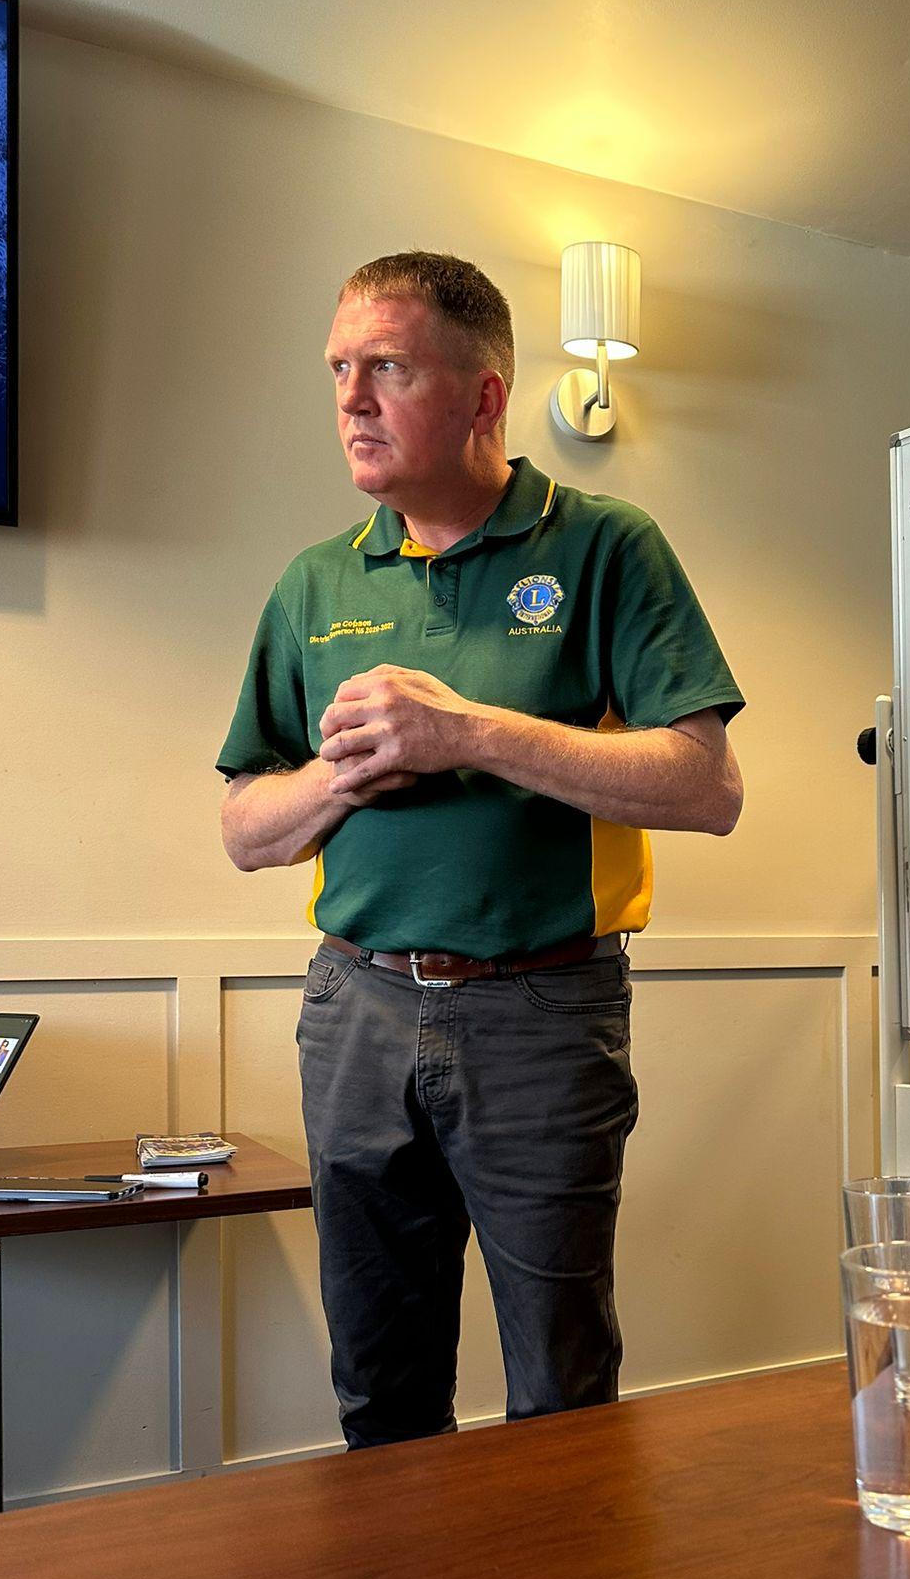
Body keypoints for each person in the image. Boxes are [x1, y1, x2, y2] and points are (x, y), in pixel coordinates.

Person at [217, 251, 744, 1448]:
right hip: (352, 1007)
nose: (351, 398)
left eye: (387, 367)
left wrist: (466, 730)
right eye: (340, 369)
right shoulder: (313, 583)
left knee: (559, 1395)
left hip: (542, 1008)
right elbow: (245, 824)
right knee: (379, 1381)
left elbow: (708, 784)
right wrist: (336, 774)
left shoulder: (607, 545)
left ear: (485, 396)